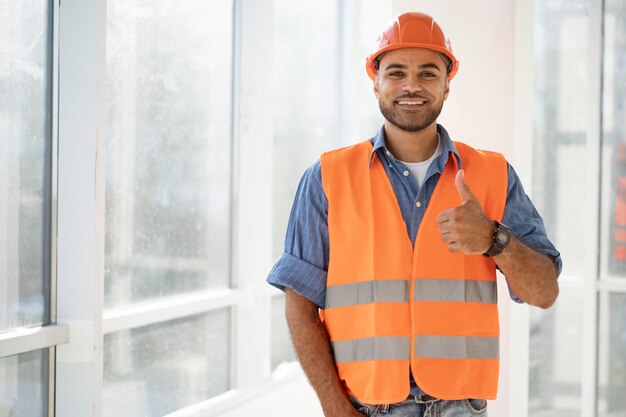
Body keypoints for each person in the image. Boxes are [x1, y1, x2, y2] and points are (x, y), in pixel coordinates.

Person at [267, 11, 561, 417]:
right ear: (375, 82)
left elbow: (544, 291)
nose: (411, 86)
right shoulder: (326, 178)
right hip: (366, 407)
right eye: (396, 72)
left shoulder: (492, 175)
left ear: (446, 84)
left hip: (461, 407)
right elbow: (299, 307)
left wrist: (496, 239)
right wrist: (335, 408)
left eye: (427, 73)